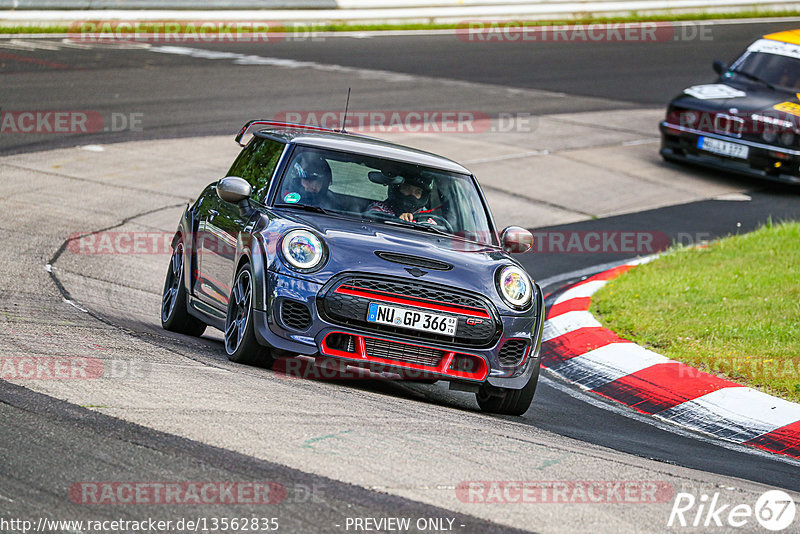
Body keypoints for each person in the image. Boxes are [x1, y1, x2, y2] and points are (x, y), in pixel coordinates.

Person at [366, 174, 437, 222]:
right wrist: (397, 221)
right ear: (397, 189)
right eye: (407, 189)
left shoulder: (426, 217)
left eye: (417, 192)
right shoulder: (379, 209)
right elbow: (371, 221)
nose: (411, 194)